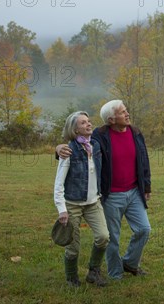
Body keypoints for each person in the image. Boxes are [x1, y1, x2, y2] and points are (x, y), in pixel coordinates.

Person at [57, 100, 152, 280]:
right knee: (112, 238)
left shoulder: (136, 133)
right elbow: (79, 144)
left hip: (134, 192)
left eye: (126, 110)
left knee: (144, 229)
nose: (127, 114)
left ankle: (130, 263)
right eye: (123, 112)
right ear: (111, 119)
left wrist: (146, 185)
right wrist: (59, 149)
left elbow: (143, 159)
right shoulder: (100, 136)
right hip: (111, 196)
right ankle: (116, 274)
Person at [54, 111, 109, 287]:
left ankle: (93, 272)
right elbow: (58, 183)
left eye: (89, 121)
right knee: (73, 246)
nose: (88, 124)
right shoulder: (69, 151)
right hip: (73, 205)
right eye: (83, 123)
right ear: (75, 130)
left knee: (103, 237)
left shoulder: (95, 145)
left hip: (93, 203)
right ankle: (72, 278)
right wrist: (62, 209)